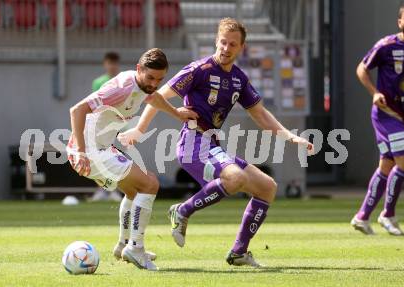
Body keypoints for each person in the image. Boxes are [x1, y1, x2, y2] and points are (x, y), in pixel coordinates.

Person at [118, 18, 314, 267]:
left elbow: (261, 115)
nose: (226, 47)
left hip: (212, 145)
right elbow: (156, 97)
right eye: (223, 42)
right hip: (192, 143)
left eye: (232, 44)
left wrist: (291, 136)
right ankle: (182, 211)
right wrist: (139, 129)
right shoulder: (198, 70)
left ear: (241, 48)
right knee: (236, 178)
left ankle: (239, 252)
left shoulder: (239, 79)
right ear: (216, 41)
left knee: (267, 187)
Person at [67, 48, 198, 270]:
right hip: (90, 152)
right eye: (150, 77)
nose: (154, 83)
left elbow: (153, 97)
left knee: (134, 191)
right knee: (150, 183)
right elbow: (77, 110)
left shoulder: (142, 85)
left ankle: (123, 245)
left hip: (102, 148)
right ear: (139, 69)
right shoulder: (123, 88)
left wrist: (177, 114)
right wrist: (80, 151)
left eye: (159, 79)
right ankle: (135, 248)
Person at [351, 3, 404, 236]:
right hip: (387, 115)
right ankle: (388, 215)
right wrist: (375, 92)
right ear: (400, 21)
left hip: (401, 116)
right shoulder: (387, 45)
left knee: (387, 165)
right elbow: (362, 69)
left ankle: (362, 217)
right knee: (403, 163)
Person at [90, 52, 123, 202]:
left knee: (115, 160)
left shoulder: (122, 82)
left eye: (114, 63)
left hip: (118, 126)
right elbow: (95, 104)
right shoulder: (98, 82)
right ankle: (101, 190)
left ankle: (113, 190)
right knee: (99, 160)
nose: (112, 66)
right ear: (105, 64)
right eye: (110, 63)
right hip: (101, 127)